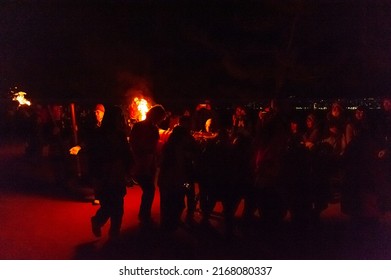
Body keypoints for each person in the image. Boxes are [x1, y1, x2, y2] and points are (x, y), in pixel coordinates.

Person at [89, 105, 133, 239]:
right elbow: (94, 156)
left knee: (118, 206)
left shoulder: (120, 135)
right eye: (119, 118)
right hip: (104, 175)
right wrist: (96, 176)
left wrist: (128, 169)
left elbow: (126, 154)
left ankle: (114, 233)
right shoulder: (99, 134)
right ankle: (97, 221)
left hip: (117, 174)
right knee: (108, 205)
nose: (121, 120)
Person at [157, 116, 199, 230]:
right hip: (177, 181)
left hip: (178, 181)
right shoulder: (175, 148)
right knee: (177, 200)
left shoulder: (172, 146)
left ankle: (172, 222)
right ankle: (171, 223)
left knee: (180, 199)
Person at [129, 104, 167, 225]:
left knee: (149, 189)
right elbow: (144, 145)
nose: (160, 121)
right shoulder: (149, 128)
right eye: (160, 118)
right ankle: (144, 215)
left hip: (146, 162)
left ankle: (144, 214)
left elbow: (133, 143)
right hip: (143, 162)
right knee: (149, 189)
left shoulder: (141, 126)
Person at [70, 103, 106, 205]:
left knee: (105, 176)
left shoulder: (108, 125)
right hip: (95, 155)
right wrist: (79, 147)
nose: (96, 114)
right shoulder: (92, 126)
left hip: (105, 155)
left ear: (103, 113)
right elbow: (87, 140)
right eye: (95, 112)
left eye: (98, 112)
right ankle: (98, 196)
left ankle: (106, 195)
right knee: (96, 176)